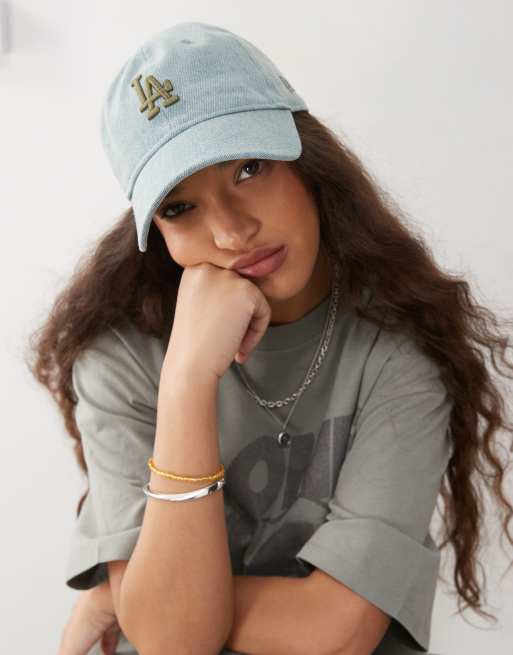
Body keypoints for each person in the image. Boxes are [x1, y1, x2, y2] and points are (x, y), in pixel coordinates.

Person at [26, 21, 513, 655]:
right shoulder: (120, 358)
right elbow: (170, 641)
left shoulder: (398, 350)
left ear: (308, 162)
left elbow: (339, 632)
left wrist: (138, 600)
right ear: (156, 233)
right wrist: (187, 381)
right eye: (179, 207)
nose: (231, 232)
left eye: (249, 168)